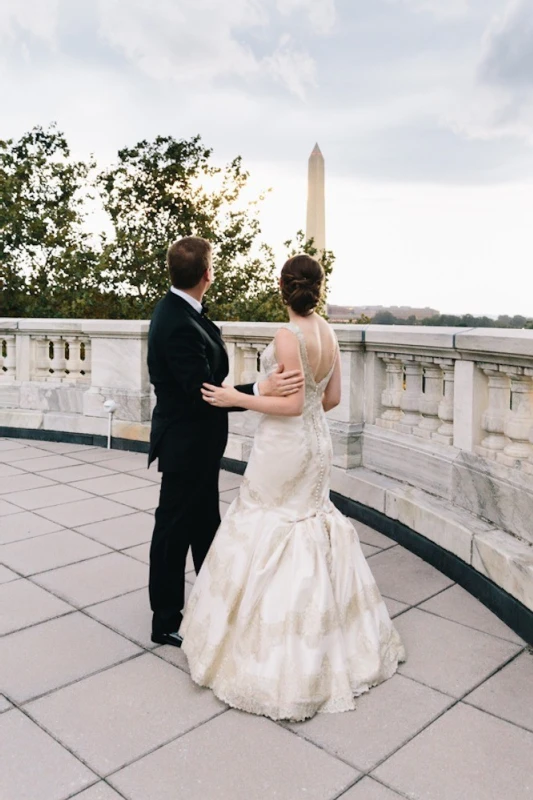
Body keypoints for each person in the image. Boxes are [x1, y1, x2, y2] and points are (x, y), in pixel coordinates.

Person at [180, 254, 406, 721]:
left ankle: (275, 658)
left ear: (282, 287)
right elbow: (331, 399)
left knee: (268, 523)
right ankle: (334, 645)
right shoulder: (326, 330)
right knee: (308, 523)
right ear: (317, 289)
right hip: (315, 444)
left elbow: (287, 404)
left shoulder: (288, 335)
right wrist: (299, 414)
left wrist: (234, 398)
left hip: (284, 447)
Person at [147, 237, 304, 648]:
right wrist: (261, 387)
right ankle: (164, 621)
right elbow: (204, 393)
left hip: (197, 444)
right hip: (185, 445)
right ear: (206, 275)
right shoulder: (177, 322)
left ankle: (212, 602)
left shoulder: (184, 312)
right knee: (173, 533)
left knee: (205, 527)